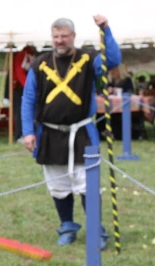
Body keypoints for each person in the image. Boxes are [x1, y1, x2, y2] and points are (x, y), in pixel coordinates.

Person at [21, 15, 121, 246]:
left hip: (81, 132)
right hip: (49, 133)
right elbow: (28, 99)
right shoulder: (40, 64)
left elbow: (113, 60)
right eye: (56, 37)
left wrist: (105, 29)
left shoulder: (88, 59)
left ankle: (96, 230)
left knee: (88, 184)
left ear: (73, 37)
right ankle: (67, 226)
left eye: (64, 36)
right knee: (58, 185)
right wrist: (28, 132)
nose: (59, 41)